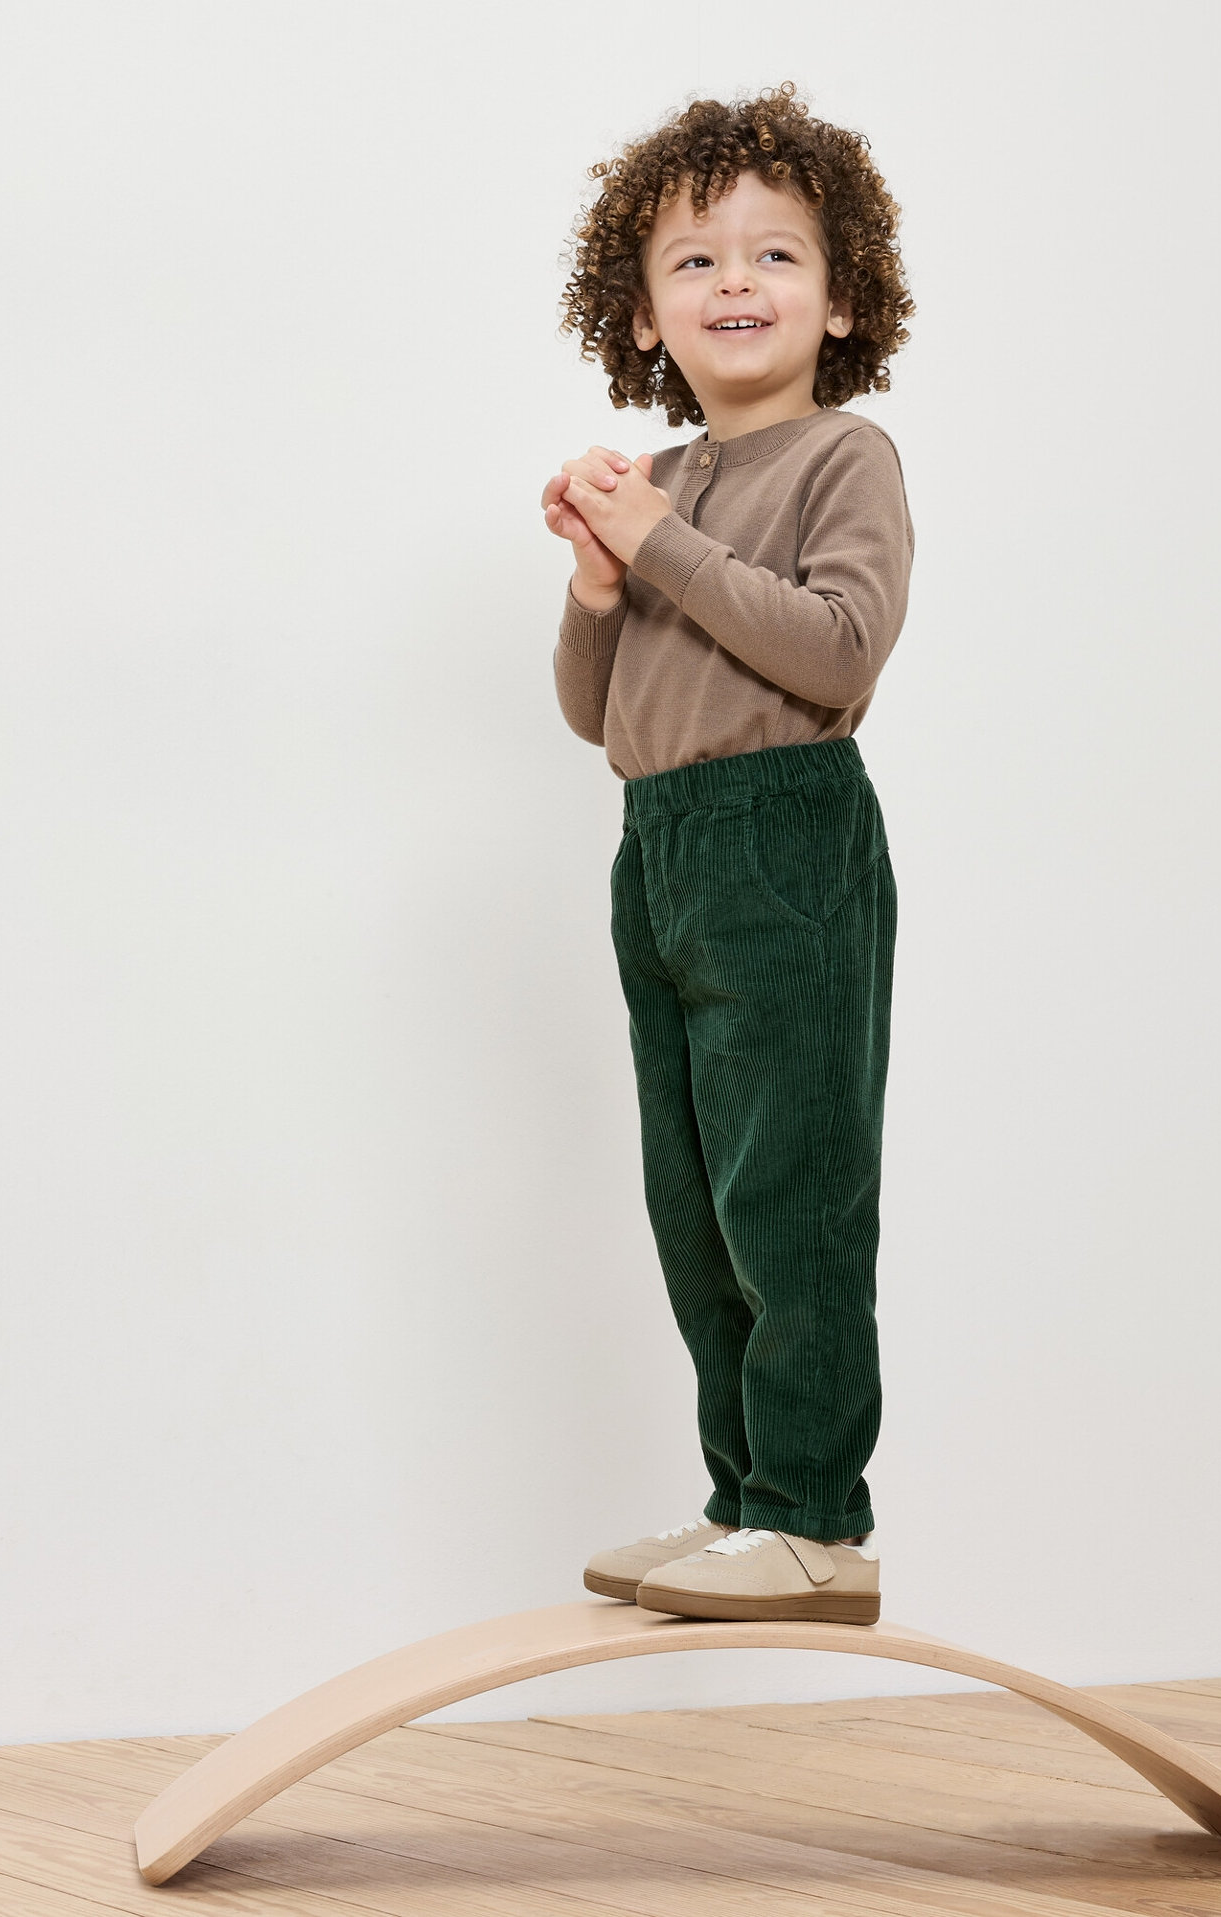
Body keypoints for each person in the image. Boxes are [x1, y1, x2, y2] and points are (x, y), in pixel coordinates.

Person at [540, 84, 916, 1625]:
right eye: (694, 264)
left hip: (783, 834)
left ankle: (818, 1517)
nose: (736, 284)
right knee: (693, 1191)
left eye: (775, 255)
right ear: (639, 319)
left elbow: (833, 651)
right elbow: (592, 712)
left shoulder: (843, 459)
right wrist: (593, 583)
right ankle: (742, 1500)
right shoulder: (668, 484)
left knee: (792, 1184)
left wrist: (659, 550)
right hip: (661, 848)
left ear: (840, 304)